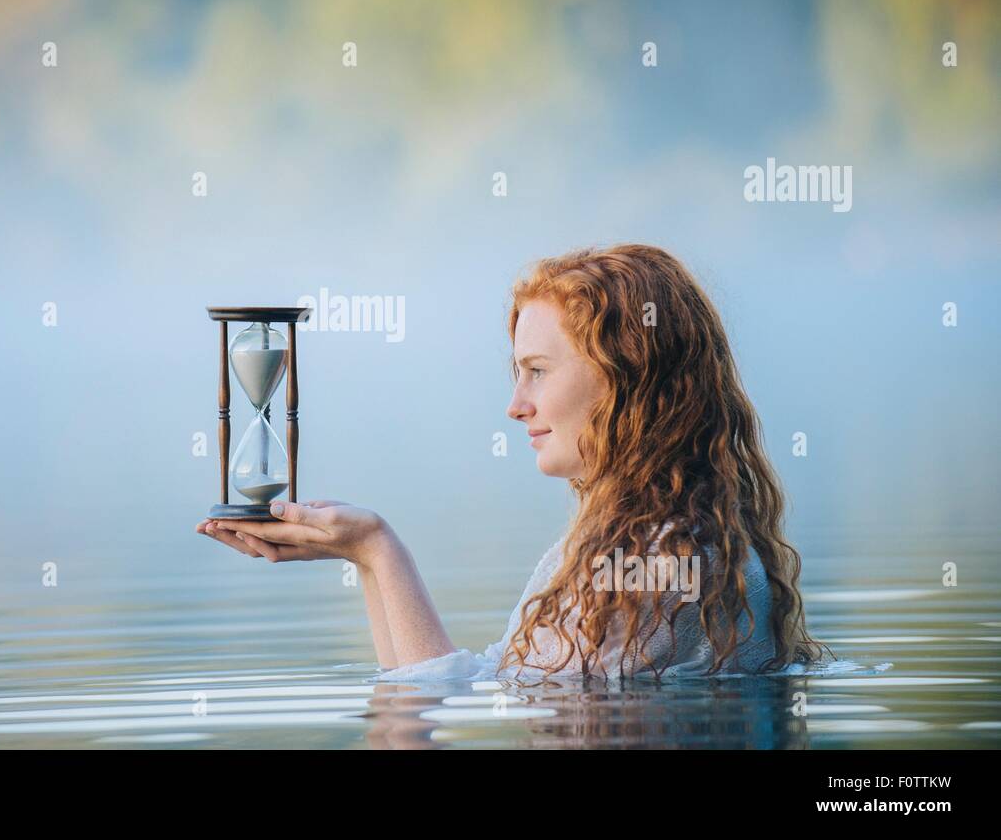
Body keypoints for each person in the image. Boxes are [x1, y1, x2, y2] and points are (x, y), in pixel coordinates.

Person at [196, 244, 829, 681]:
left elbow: (431, 713)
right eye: (516, 373)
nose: (515, 406)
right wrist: (366, 558)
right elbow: (461, 687)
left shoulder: (664, 564)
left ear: (626, 380)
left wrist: (381, 551)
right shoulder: (617, 547)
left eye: (537, 373)